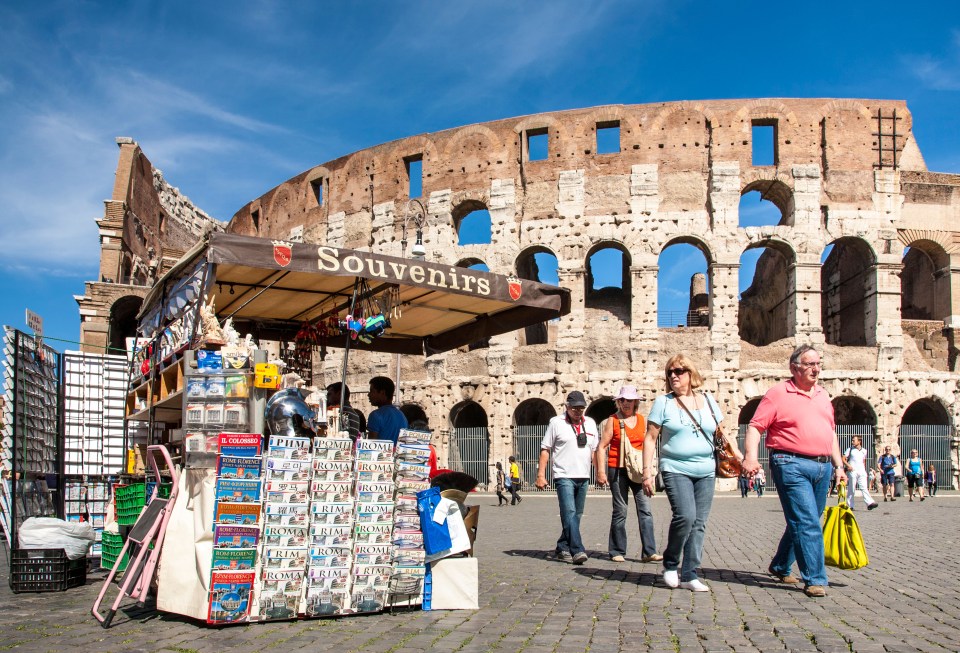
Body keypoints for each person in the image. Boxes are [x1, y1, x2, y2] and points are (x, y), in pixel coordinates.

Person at [742, 345, 847, 598]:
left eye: (818, 364)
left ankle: (780, 564)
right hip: (790, 463)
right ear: (794, 368)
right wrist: (750, 457)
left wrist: (839, 466)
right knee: (807, 520)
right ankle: (815, 578)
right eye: (810, 364)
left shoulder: (823, 395)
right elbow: (756, 427)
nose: (816, 369)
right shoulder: (778, 394)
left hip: (822, 465)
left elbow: (829, 432)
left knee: (807, 517)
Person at [641, 354, 741, 593]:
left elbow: (722, 435)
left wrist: (741, 458)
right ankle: (671, 563)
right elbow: (650, 438)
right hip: (675, 468)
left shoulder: (707, 401)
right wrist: (647, 472)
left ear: (691, 374)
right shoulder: (663, 403)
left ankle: (689, 574)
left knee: (699, 523)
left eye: (679, 371)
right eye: (670, 373)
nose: (674, 376)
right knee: (685, 516)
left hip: (705, 470)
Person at [595, 385, 660, 563]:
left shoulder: (642, 420)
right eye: (622, 400)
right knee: (620, 510)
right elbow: (601, 447)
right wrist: (601, 471)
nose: (625, 403)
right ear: (618, 402)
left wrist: (650, 471)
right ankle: (616, 550)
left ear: (636, 402)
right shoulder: (613, 420)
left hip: (638, 470)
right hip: (617, 469)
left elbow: (650, 445)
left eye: (629, 400)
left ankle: (649, 551)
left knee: (645, 509)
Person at [536, 391, 599, 565]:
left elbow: (595, 450)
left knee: (576, 515)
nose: (578, 411)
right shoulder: (556, 423)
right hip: (563, 475)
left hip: (583, 475)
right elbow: (545, 449)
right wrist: (541, 475)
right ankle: (577, 550)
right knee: (569, 512)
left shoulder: (591, 424)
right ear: (567, 407)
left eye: (581, 408)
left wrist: (600, 472)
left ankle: (562, 546)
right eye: (574, 408)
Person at [366, 376, 407, 444]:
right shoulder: (402, 416)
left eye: (372, 391)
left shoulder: (376, 415)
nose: (368, 395)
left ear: (382, 393)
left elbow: (371, 446)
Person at [843, 435, 878, 510]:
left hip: (861, 471)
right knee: (851, 488)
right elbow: (843, 458)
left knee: (864, 487)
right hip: (853, 470)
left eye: (854, 440)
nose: (852, 442)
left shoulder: (864, 450)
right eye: (852, 440)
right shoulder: (850, 449)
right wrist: (848, 465)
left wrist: (864, 469)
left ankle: (869, 503)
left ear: (859, 441)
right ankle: (850, 505)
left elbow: (863, 461)